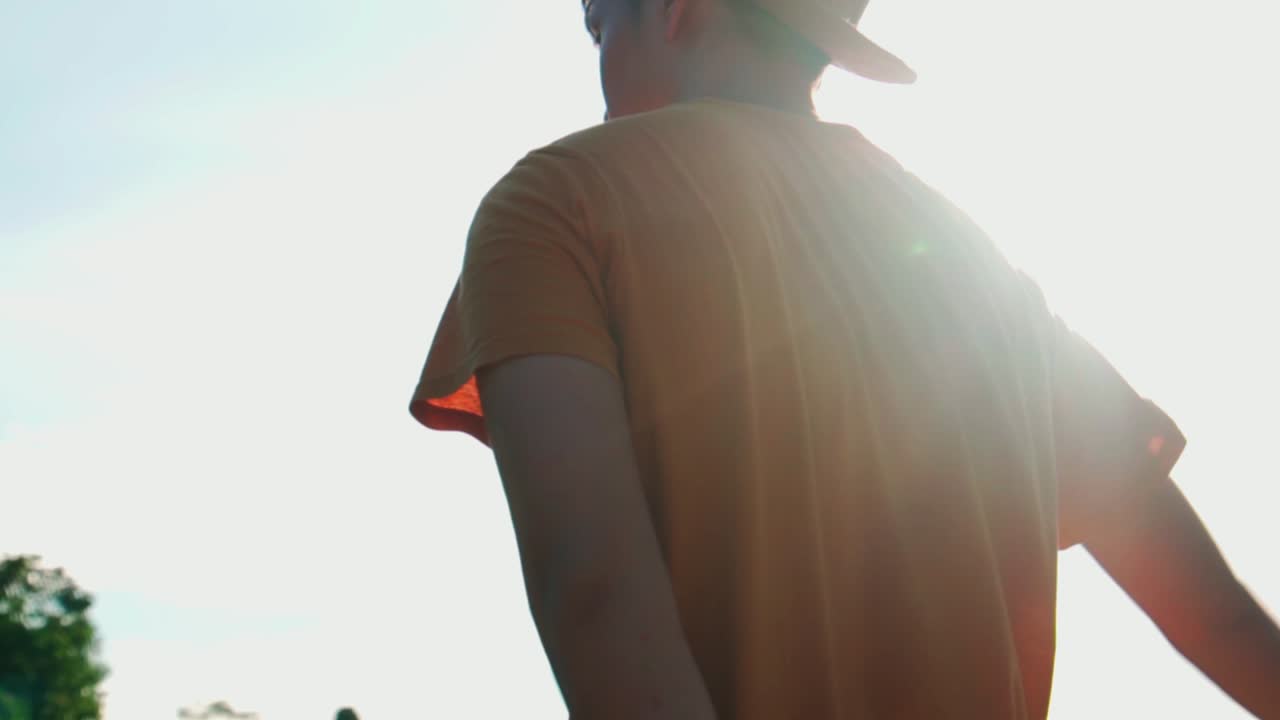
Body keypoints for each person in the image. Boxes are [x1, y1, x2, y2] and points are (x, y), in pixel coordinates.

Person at [409, 1, 1280, 717]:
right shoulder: (977, 263)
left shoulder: (555, 205)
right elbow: (1217, 619)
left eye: (598, 22)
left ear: (678, 10)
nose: (594, 51)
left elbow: (591, 590)